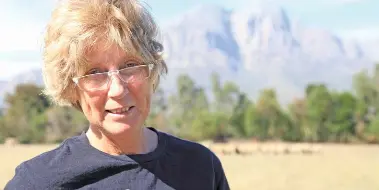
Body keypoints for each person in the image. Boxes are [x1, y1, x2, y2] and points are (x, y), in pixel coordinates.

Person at [5, 0, 230, 189]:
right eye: (95, 72)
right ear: (71, 87)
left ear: (151, 71)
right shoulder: (36, 182)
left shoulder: (201, 167)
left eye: (130, 65)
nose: (118, 89)